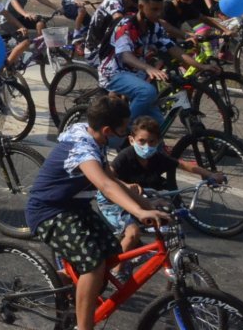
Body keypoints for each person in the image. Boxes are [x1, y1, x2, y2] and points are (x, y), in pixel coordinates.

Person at [27, 94, 168, 330]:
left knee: (110, 255)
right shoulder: (83, 149)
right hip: (49, 212)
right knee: (94, 266)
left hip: (75, 209)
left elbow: (113, 179)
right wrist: (138, 211)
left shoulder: (93, 136)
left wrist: (148, 205)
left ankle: (64, 285)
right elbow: (105, 185)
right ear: (107, 131)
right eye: (124, 130)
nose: (125, 135)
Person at [98, 116, 225, 264]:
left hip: (140, 198)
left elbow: (183, 165)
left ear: (157, 142)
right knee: (133, 233)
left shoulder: (157, 157)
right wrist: (126, 186)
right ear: (132, 140)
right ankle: (115, 269)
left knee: (167, 213)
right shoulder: (125, 156)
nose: (146, 146)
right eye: (142, 141)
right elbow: (107, 179)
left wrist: (210, 175)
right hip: (113, 200)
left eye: (151, 142)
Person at [97, 0, 216, 124]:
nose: (159, 14)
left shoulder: (154, 26)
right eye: (154, 9)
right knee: (148, 92)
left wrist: (201, 66)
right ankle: (124, 128)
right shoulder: (126, 25)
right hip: (113, 74)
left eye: (160, 9)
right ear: (141, 7)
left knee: (157, 124)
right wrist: (149, 68)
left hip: (136, 75)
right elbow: (126, 56)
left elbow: (173, 49)